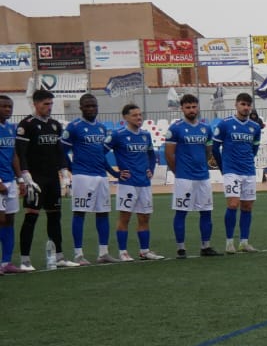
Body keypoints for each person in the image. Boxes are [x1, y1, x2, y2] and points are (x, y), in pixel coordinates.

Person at [13, 88, 67, 270]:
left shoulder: (55, 125)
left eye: (51, 104)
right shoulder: (26, 124)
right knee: (31, 217)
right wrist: (25, 175)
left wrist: (64, 172)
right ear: (35, 104)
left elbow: (59, 151)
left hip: (52, 179)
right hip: (35, 180)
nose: (49, 107)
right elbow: (20, 152)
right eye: (46, 104)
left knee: (55, 217)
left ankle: (59, 256)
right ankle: (25, 260)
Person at [62, 92, 115, 266]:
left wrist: (113, 173)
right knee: (80, 213)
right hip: (83, 176)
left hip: (100, 176)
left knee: (103, 213)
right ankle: (78, 254)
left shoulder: (101, 128)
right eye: (88, 106)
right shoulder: (74, 126)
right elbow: (61, 151)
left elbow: (101, 154)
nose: (92, 109)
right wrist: (72, 169)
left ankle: (103, 253)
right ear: (81, 108)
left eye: (94, 106)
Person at [165, 93, 220, 258]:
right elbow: (169, 155)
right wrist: (178, 172)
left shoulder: (206, 128)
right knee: (181, 212)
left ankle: (206, 247)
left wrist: (203, 163)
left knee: (206, 211)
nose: (191, 110)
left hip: (203, 177)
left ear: (198, 107)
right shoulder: (175, 129)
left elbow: (208, 150)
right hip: (184, 178)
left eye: (194, 107)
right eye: (188, 107)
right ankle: (181, 249)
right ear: (182, 108)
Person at [107, 103, 163, 261]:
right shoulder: (118, 135)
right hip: (127, 183)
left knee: (144, 217)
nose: (139, 118)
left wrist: (150, 169)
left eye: (140, 115)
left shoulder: (146, 135)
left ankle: (144, 251)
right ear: (125, 117)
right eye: (135, 115)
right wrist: (115, 173)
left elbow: (152, 155)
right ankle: (123, 252)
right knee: (125, 218)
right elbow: (101, 152)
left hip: (144, 183)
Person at [212, 93, 263, 252]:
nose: (246, 107)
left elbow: (254, 149)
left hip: (248, 171)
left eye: (248, 105)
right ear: (236, 105)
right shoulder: (225, 124)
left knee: (247, 206)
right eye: (243, 104)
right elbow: (215, 148)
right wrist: (223, 168)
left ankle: (244, 242)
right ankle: (229, 242)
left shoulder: (254, 127)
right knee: (233, 204)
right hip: (231, 171)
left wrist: (248, 161)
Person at [0, 95, 18, 274]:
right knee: (1, 219)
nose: (8, 109)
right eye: (4, 106)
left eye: (10, 106)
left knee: (10, 220)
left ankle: (6, 262)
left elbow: (14, 155)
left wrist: (20, 179)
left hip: (10, 181)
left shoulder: (11, 128)